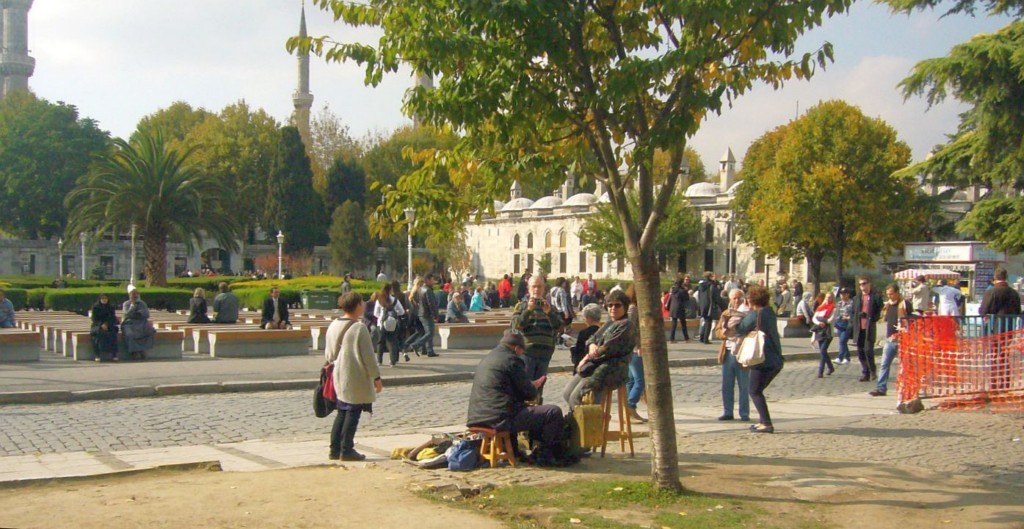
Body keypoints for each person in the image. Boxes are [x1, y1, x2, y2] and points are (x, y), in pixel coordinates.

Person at [467, 329, 567, 466]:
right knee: (552, 412)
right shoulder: (512, 360)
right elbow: (529, 393)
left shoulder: (489, 358)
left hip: (477, 416)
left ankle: (514, 451)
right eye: (522, 350)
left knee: (511, 407)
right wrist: (535, 385)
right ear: (516, 348)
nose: (522, 354)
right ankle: (545, 455)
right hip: (498, 420)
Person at [325, 292, 383, 461]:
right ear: (357, 305)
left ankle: (334, 449)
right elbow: (368, 357)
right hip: (354, 375)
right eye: (362, 303)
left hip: (337, 374)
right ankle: (347, 449)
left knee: (342, 411)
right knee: (353, 411)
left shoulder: (334, 324)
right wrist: (376, 377)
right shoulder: (359, 328)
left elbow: (328, 353)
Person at [563, 291, 637, 411]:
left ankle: (590, 420)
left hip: (611, 368)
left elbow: (607, 348)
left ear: (625, 307)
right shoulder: (609, 322)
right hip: (595, 365)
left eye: (617, 305)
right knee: (567, 393)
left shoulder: (626, 325)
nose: (613, 308)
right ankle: (577, 420)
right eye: (610, 305)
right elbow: (592, 338)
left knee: (576, 397)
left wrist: (587, 357)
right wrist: (592, 345)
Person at [737, 285, 784, 433]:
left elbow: (740, 328)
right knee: (758, 390)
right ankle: (762, 421)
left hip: (762, 359)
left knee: (754, 391)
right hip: (775, 358)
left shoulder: (756, 314)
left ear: (751, 300)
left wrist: (741, 312)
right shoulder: (769, 312)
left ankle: (767, 423)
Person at [511, 275, 563, 399]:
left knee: (538, 390)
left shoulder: (550, 307)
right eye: (534, 286)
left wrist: (549, 313)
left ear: (544, 288)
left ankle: (538, 408)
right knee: (525, 387)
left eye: (539, 287)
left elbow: (560, 328)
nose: (536, 289)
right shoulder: (521, 306)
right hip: (527, 353)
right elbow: (515, 326)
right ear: (528, 288)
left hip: (545, 354)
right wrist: (528, 310)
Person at [979, 268, 1022, 391]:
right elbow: (1018, 310)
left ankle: (994, 383)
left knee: (994, 356)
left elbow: (983, 310)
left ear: (995, 278)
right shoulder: (1014, 293)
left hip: (994, 328)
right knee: (1005, 355)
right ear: (1006, 277)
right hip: (1009, 327)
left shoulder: (991, 292)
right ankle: (1005, 383)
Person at [871, 284, 913, 397]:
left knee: (905, 365)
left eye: (891, 294)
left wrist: (902, 333)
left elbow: (910, 321)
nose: (890, 296)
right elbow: (886, 319)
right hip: (890, 339)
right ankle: (881, 388)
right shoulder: (888, 305)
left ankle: (907, 388)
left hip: (903, 339)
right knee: (884, 364)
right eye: (888, 294)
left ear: (897, 293)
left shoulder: (904, 304)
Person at [717, 288, 750, 421]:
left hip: (742, 351)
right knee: (727, 384)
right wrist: (725, 334)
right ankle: (728, 411)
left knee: (744, 385)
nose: (736, 301)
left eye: (739, 298)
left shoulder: (747, 313)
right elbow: (718, 329)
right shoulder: (726, 313)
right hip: (727, 351)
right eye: (734, 298)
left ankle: (744, 413)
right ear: (730, 299)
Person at [852, 276, 883, 382]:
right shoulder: (857, 298)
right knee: (860, 351)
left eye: (864, 283)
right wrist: (854, 321)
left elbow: (879, 311)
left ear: (869, 284)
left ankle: (872, 370)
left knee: (868, 350)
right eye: (860, 284)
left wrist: (871, 317)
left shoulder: (875, 297)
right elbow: (853, 312)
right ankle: (865, 372)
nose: (862, 286)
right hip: (859, 328)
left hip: (869, 327)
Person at [623, 286, 647, 423]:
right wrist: (637, 344)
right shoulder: (633, 308)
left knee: (632, 380)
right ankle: (630, 406)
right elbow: (631, 328)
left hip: (631, 347)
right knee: (640, 380)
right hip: (634, 348)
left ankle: (629, 409)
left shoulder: (631, 307)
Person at [404, 273, 439, 357]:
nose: (433, 282)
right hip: (427, 314)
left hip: (421, 313)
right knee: (430, 333)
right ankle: (416, 345)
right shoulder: (428, 290)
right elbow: (431, 304)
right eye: (432, 280)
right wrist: (435, 315)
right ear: (428, 280)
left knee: (426, 332)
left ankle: (430, 350)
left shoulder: (420, 289)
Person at [374, 283, 408, 366]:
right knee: (392, 342)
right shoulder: (394, 300)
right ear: (390, 290)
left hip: (381, 324)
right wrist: (395, 315)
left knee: (380, 342)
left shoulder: (379, 300)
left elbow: (375, 313)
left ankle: (379, 361)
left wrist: (381, 316)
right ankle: (393, 361)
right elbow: (402, 311)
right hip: (393, 323)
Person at [121, 285, 155, 360]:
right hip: (129, 323)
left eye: (136, 294)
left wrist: (138, 313)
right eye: (133, 294)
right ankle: (133, 351)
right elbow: (127, 315)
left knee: (150, 331)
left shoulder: (142, 303)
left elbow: (146, 314)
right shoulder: (126, 304)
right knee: (130, 334)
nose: (135, 296)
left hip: (141, 322)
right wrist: (133, 306)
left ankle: (143, 349)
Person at [569, 303, 602, 373]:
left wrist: (572, 347)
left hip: (586, 367)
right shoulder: (604, 331)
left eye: (584, 317)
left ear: (588, 318)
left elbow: (579, 353)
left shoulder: (584, 333)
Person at [811, 292, 836, 378]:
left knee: (823, 351)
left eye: (830, 297)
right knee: (823, 351)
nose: (828, 299)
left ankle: (820, 371)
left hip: (828, 331)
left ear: (832, 298)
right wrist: (819, 322)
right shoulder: (820, 307)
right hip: (819, 331)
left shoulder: (834, 308)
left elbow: (831, 319)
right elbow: (814, 318)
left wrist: (822, 320)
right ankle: (830, 367)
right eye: (827, 297)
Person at [90, 293, 119, 362]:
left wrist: (107, 324)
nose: (104, 300)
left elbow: (112, 317)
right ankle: (97, 355)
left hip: (109, 325)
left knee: (113, 334)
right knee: (98, 335)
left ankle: (114, 355)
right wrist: (101, 324)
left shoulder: (111, 307)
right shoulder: (95, 307)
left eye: (105, 298)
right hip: (97, 325)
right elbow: (94, 319)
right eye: (102, 299)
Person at [696, 271, 721, 344]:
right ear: (710, 277)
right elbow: (716, 296)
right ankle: (705, 339)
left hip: (702, 304)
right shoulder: (712, 285)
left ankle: (702, 337)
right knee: (708, 321)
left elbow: (699, 295)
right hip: (710, 304)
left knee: (705, 320)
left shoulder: (701, 285)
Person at [834, 287, 854, 364]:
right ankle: (847, 357)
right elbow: (836, 313)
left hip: (847, 323)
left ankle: (840, 357)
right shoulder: (838, 303)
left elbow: (854, 314)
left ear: (848, 294)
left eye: (844, 294)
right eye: (841, 294)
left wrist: (848, 318)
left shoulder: (851, 303)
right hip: (839, 323)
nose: (842, 295)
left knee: (842, 341)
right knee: (842, 341)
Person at [667, 279, 691, 343]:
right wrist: (686, 291)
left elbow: (670, 299)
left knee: (674, 324)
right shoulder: (682, 290)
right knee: (683, 324)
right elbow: (687, 299)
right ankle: (686, 338)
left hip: (673, 308)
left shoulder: (673, 290)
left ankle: (672, 339)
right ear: (681, 283)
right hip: (680, 308)